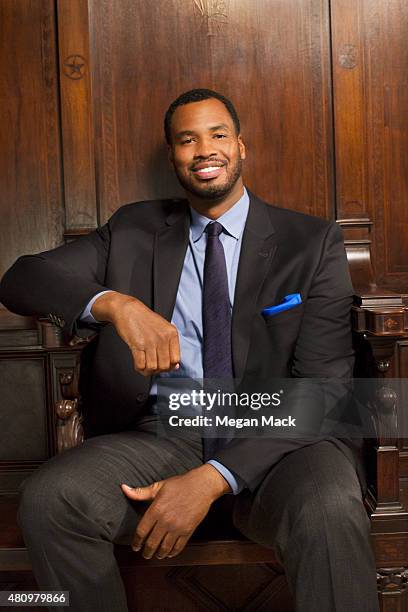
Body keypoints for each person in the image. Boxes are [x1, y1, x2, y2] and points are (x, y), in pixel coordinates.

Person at [0, 89, 379, 611]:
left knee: (331, 507)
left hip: (281, 443)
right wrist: (116, 305)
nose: (205, 149)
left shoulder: (309, 242)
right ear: (174, 156)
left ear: (241, 146)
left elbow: (321, 391)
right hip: (162, 437)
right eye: (187, 139)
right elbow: (22, 278)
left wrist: (210, 481)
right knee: (50, 500)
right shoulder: (132, 229)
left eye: (218, 135)